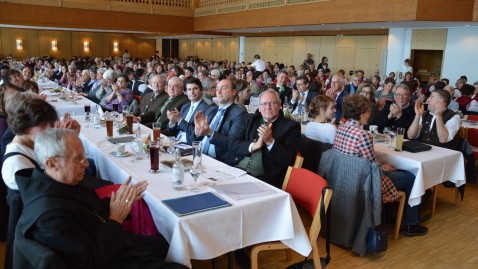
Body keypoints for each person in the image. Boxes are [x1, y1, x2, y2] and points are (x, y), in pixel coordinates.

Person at [15, 128, 187, 269]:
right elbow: (91, 260)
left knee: (165, 242)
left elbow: (86, 210)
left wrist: (121, 200)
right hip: (107, 258)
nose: (86, 163)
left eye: (84, 156)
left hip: (107, 241)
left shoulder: (57, 184)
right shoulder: (49, 215)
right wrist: (115, 218)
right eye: (78, 159)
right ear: (52, 163)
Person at [334, 94, 427, 236]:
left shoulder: (341, 128)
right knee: (412, 177)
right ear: (362, 112)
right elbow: (372, 167)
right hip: (365, 181)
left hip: (347, 176)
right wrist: (383, 167)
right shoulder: (363, 135)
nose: (370, 114)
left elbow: (364, 160)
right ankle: (411, 224)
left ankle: (390, 214)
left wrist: (381, 165)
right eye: (368, 111)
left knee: (392, 167)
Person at [231, 89, 300, 188]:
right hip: (236, 171)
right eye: (264, 104)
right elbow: (233, 145)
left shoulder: (291, 127)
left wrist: (270, 141)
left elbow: (288, 160)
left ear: (280, 106)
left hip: (265, 180)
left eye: (272, 103)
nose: (268, 107)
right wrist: (253, 146)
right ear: (259, 108)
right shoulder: (249, 120)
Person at [192, 79, 247, 166]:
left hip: (219, 161)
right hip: (199, 156)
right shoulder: (211, 109)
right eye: (217, 89)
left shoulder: (239, 113)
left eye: (223, 88)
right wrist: (197, 131)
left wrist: (210, 133)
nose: (219, 92)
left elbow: (232, 143)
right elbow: (197, 138)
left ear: (233, 92)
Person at [167, 78, 209, 143]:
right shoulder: (185, 106)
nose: (192, 92)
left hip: (188, 144)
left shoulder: (206, 109)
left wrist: (179, 120)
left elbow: (197, 134)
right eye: (189, 89)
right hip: (175, 140)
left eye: (195, 89)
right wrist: (173, 121)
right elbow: (171, 130)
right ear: (186, 92)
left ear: (201, 90)